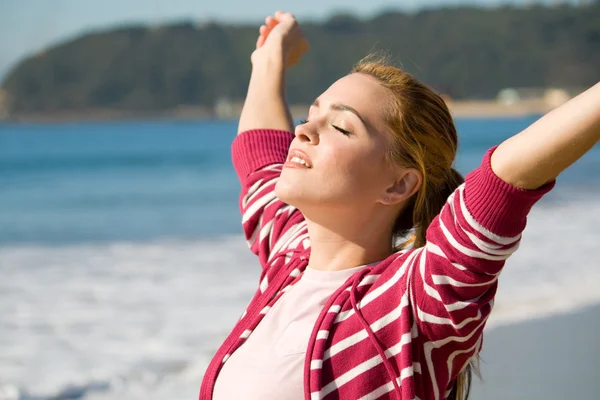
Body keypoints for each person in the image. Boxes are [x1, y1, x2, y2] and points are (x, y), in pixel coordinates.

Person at [199, 11, 600, 400]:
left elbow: (505, 179)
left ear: (398, 184)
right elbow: (261, 157)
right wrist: (271, 56)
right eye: (310, 114)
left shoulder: (417, 300)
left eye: (340, 126)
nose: (303, 130)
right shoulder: (288, 258)